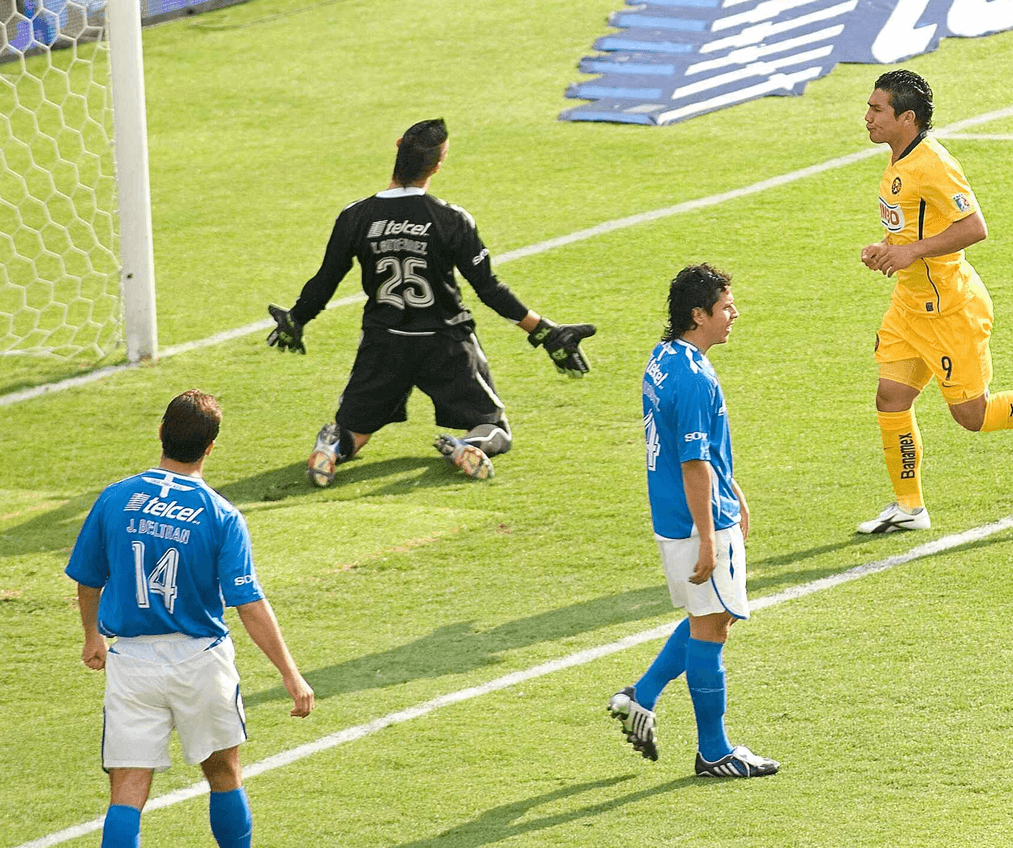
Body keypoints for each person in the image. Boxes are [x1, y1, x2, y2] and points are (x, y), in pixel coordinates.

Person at [265, 118, 596, 486]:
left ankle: (331, 448)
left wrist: (297, 319)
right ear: (437, 165)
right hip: (445, 344)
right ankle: (468, 445)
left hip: (383, 343)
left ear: (397, 148)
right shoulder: (451, 219)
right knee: (493, 426)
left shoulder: (355, 216)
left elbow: (325, 281)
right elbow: (489, 289)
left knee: (355, 431)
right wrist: (544, 331)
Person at [857, 69, 1013, 534]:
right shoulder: (898, 161)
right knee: (890, 397)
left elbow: (974, 227)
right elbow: (915, 226)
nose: (867, 117)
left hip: (951, 311)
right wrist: (888, 248)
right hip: (910, 306)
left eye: (877, 109)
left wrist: (909, 251)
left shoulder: (932, 163)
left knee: (971, 417)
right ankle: (909, 507)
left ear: (906, 118)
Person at [66, 389, 314, 848]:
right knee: (223, 774)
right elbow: (249, 604)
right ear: (210, 447)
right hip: (200, 660)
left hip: (132, 664)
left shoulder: (116, 498)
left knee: (127, 790)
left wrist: (92, 638)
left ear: (160, 433)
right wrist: (290, 674)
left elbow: (87, 579)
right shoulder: (223, 516)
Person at [607, 264, 779, 779]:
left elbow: (701, 451)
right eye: (726, 307)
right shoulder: (695, 377)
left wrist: (736, 491)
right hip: (697, 520)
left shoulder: (663, 360)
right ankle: (714, 751)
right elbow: (694, 463)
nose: (734, 315)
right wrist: (710, 537)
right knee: (712, 630)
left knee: (710, 618)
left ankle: (641, 694)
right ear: (698, 314)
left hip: (674, 513)